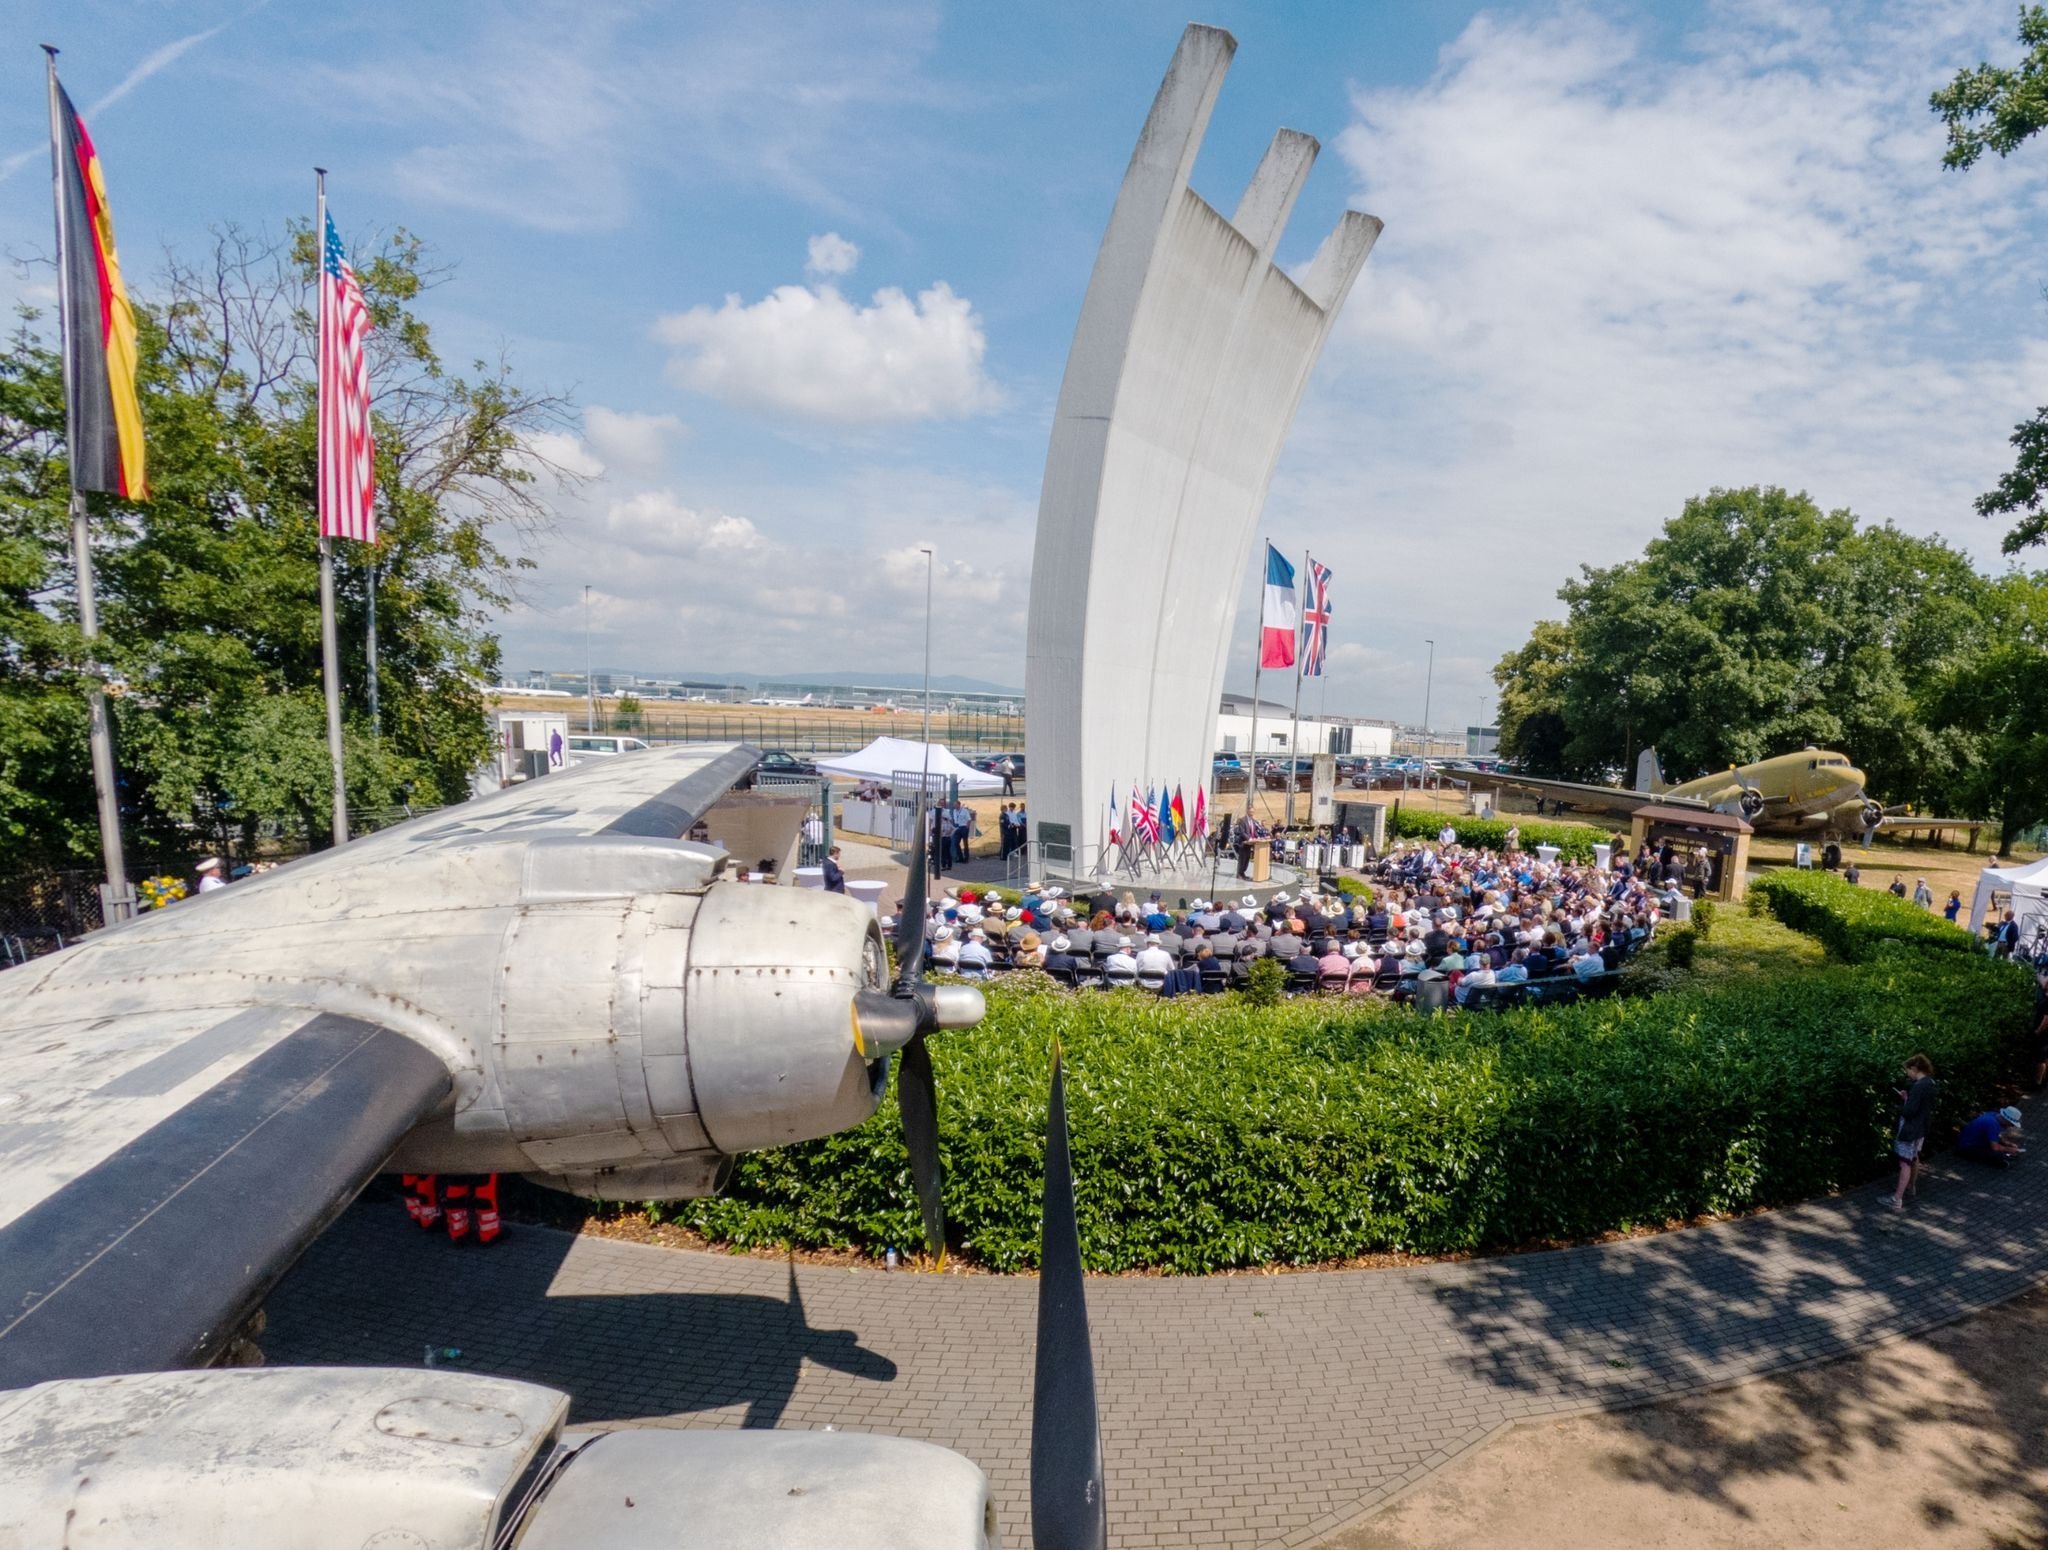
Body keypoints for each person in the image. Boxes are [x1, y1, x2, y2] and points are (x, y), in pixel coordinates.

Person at [1888, 1054, 1937, 1210]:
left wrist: (1901, 1106)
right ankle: (1911, 1187)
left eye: (1908, 1070)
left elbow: (1909, 1111)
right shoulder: (1930, 1083)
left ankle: (1897, 1199)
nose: (1907, 1073)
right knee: (1914, 1157)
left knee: (1905, 1163)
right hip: (1921, 1129)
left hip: (1910, 1129)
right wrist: (1908, 1098)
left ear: (1915, 1069)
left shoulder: (1918, 1086)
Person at [1955, 1105, 2024, 1167]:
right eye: (2011, 1124)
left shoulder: (1993, 1115)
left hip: (1969, 1141)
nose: (2010, 1126)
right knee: (1998, 1156)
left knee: (2001, 1149)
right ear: (2006, 1120)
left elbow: (1995, 1135)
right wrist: (2008, 1149)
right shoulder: (1993, 1124)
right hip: (1966, 1148)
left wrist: (2006, 1143)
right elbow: (1995, 1147)